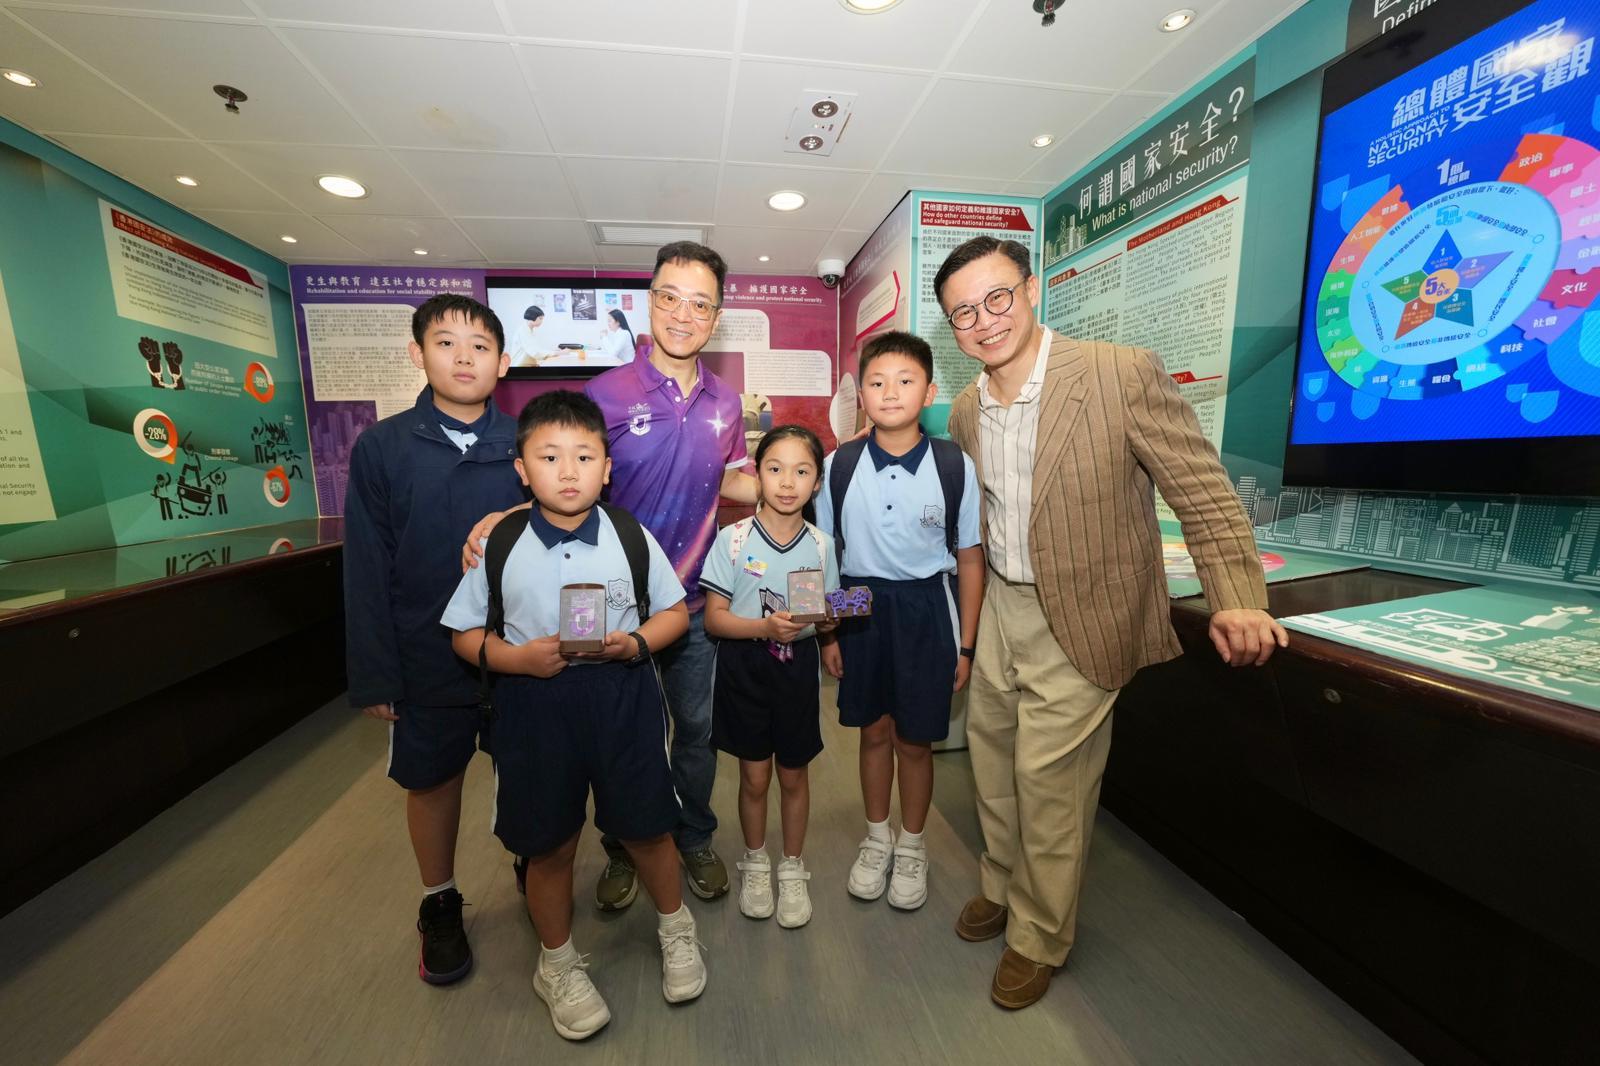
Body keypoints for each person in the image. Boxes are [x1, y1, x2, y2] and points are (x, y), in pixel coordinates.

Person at [938, 236, 1288, 1010]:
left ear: (1030, 292)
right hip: (1002, 604)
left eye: (997, 298)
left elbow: (1200, 488)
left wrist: (1237, 595)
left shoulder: (1118, 373)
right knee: (990, 759)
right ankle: (999, 882)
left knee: (1050, 781)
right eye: (964, 312)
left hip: (1087, 606)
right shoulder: (968, 409)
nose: (984, 321)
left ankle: (1037, 933)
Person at [464, 241, 758, 910]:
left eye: (701, 302)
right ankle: (626, 847)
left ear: (717, 313)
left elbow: (729, 478)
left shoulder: (726, 400)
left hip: (692, 602)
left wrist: (785, 487)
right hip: (613, 604)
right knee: (619, 738)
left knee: (696, 734)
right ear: (649, 302)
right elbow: (571, 476)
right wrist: (507, 513)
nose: (683, 315)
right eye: (669, 297)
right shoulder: (605, 391)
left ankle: (693, 837)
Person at [442, 390, 702, 1041]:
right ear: (522, 469)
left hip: (623, 699)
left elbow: (672, 613)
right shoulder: (498, 543)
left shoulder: (628, 536)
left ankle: (677, 928)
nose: (567, 470)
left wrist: (637, 642)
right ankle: (556, 963)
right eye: (549, 456)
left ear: (607, 467)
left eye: (584, 455)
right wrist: (516, 660)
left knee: (648, 827)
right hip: (533, 708)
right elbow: (463, 634)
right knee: (549, 843)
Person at [342, 293, 525, 986]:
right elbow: (365, 565)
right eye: (446, 343)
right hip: (423, 652)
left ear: (502, 363)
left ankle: (534, 867)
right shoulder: (383, 448)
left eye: (480, 346)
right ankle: (439, 902)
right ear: (417, 354)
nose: (464, 357)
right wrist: (376, 674)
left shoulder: (525, 443)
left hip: (517, 655)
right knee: (433, 781)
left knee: (529, 770)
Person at [814, 331, 983, 912]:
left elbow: (968, 558)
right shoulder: (838, 466)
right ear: (861, 394)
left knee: (915, 738)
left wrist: (966, 644)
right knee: (873, 731)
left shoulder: (952, 464)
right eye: (877, 382)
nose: (890, 392)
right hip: (859, 604)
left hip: (925, 608)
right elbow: (827, 555)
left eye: (905, 381)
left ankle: (913, 846)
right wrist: (829, 632)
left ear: (929, 391)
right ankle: (877, 836)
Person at [700, 426, 839, 929]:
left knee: (794, 773)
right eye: (774, 468)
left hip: (796, 672)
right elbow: (714, 618)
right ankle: (756, 862)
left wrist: (829, 629)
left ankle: (792, 867)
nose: (787, 482)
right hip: (745, 668)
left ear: (817, 483)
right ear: (756, 475)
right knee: (754, 775)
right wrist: (763, 626)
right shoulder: (732, 541)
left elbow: (829, 607)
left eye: (802, 471)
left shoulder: (822, 546)